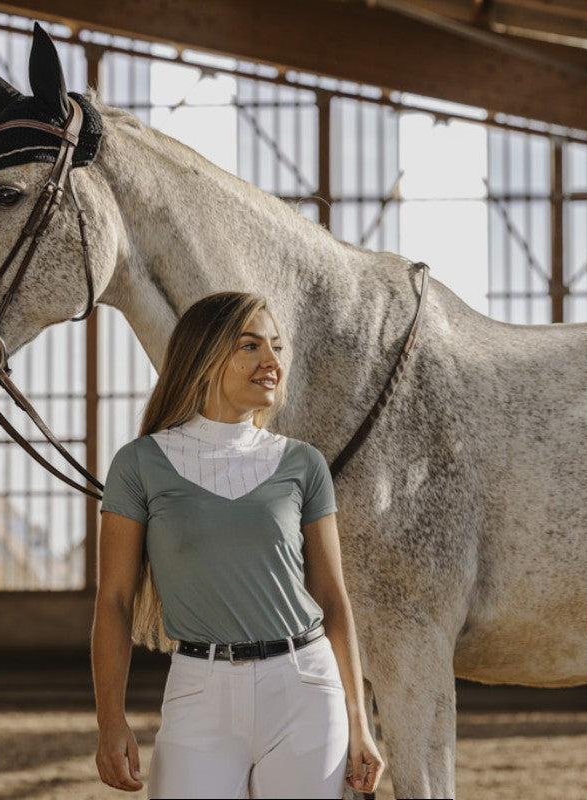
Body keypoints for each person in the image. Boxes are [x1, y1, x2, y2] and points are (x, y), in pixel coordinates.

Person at [91, 291, 383, 799]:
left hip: (306, 691)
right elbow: (113, 601)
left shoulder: (303, 464)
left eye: (276, 347)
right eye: (250, 346)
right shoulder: (138, 464)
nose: (272, 363)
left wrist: (360, 723)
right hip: (197, 692)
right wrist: (109, 720)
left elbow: (333, 599)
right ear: (204, 356)